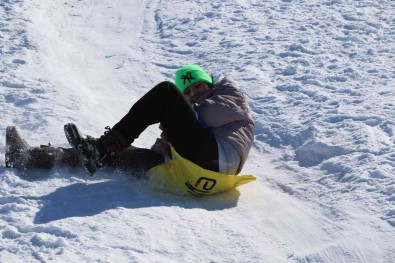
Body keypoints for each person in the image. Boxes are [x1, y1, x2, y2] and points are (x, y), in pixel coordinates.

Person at [6, 64, 254, 179]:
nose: (194, 93)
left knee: (166, 92)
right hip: (193, 175)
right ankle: (32, 157)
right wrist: (164, 146)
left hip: (218, 157)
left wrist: (174, 117)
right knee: (115, 155)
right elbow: (190, 130)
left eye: (198, 85)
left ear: (209, 83)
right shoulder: (194, 121)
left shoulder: (228, 93)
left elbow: (213, 115)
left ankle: (103, 147)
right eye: (187, 93)